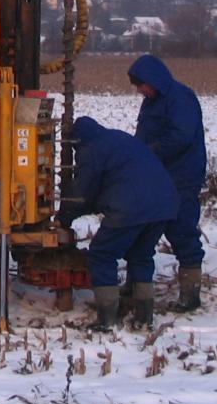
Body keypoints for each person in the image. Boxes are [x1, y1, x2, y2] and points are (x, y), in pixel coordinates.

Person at [57, 116, 179, 330]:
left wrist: (64, 218)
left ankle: (107, 318)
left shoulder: (91, 149)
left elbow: (82, 192)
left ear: (77, 142)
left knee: (102, 254)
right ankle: (144, 315)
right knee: (141, 254)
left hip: (132, 207)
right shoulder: (118, 138)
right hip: (165, 204)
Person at [127, 54, 207, 312]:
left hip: (181, 177)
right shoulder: (151, 102)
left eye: (141, 85)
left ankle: (190, 293)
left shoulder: (180, 98)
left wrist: (147, 153)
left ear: (154, 80)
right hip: (157, 176)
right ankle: (135, 286)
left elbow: (180, 138)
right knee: (140, 230)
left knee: (182, 231)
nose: (140, 91)